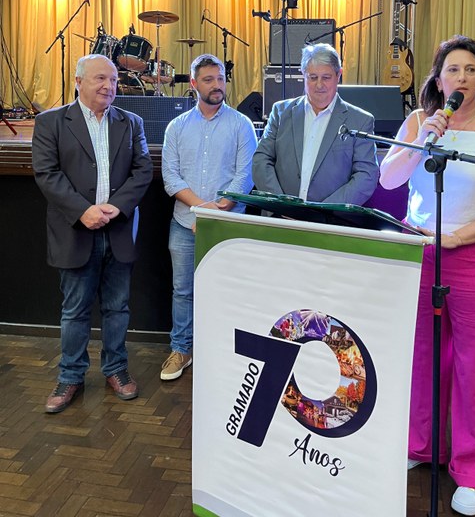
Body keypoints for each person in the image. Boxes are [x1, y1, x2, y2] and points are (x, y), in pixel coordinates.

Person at [379, 35, 475, 516]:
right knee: (421, 358)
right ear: (438, 79)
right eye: (452, 70)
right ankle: (421, 445)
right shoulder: (419, 122)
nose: (461, 77)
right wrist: (422, 139)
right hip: (421, 254)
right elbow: (389, 179)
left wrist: (458, 238)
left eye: (470, 70)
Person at [32, 54, 153, 413]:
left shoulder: (131, 122)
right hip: (75, 231)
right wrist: (82, 211)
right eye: (100, 78)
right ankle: (70, 376)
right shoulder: (50, 122)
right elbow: (47, 173)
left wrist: (117, 206)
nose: (108, 86)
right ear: (78, 81)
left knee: (118, 308)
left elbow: (143, 170)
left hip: (118, 230)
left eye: (113, 80)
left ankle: (116, 369)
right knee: (75, 311)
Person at [160, 54, 257, 380]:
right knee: (183, 292)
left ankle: (224, 354)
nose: (217, 85)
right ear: (193, 84)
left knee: (228, 291)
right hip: (184, 225)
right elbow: (171, 178)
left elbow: (245, 176)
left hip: (228, 226)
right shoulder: (177, 127)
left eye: (220, 79)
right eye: (208, 80)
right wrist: (202, 210)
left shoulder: (241, 125)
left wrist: (217, 211)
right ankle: (181, 349)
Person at [252, 43, 379, 204]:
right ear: (303, 74)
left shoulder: (360, 121)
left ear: (338, 75)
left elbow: (366, 176)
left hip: (330, 218)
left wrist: (323, 211)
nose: (319, 85)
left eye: (326, 78)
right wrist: (281, 204)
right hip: (279, 214)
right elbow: (261, 160)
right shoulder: (280, 112)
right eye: (313, 77)